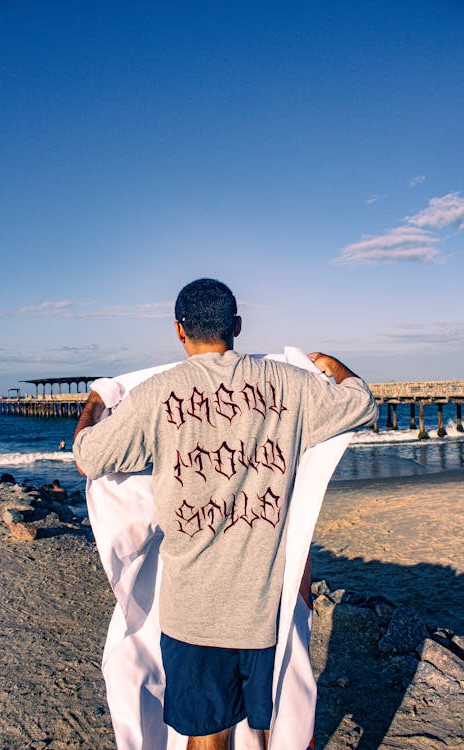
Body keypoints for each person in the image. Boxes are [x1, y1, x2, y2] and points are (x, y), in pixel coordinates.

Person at [73, 278, 377, 750]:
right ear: (237, 325)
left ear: (179, 331)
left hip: (193, 616)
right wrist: (333, 365)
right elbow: (360, 404)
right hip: (265, 610)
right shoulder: (287, 386)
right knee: (275, 732)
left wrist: (97, 400)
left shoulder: (157, 395)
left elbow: (89, 458)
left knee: (207, 739)